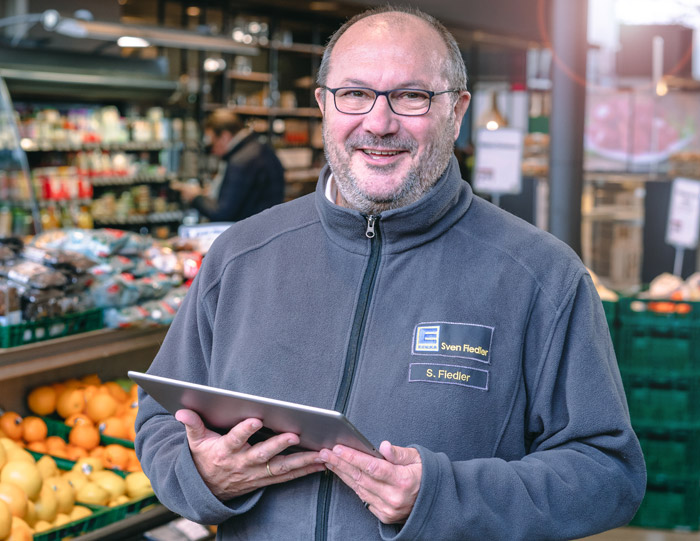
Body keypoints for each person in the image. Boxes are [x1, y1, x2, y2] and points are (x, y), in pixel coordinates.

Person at [135, 6, 646, 540]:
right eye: (354, 94)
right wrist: (201, 476)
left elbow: (608, 474)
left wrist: (447, 497)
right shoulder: (240, 256)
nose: (378, 123)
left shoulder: (540, 276)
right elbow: (160, 419)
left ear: (457, 110)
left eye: (412, 96)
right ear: (323, 105)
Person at [172, 109, 285, 222]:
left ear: (225, 137)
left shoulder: (240, 161)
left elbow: (222, 213)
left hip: (250, 234)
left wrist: (195, 197)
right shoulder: (259, 148)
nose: (212, 150)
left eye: (211, 142)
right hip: (268, 227)